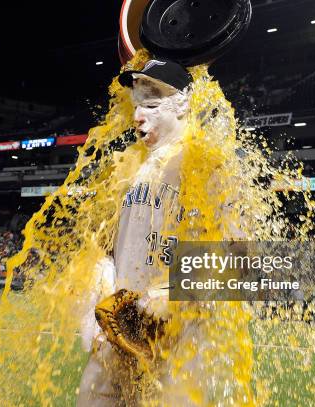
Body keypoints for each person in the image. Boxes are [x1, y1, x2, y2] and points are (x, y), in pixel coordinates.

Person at [77, 59, 205, 406]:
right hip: (117, 330)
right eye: (136, 106)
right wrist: (99, 292)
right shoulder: (129, 168)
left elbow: (239, 256)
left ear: (181, 104)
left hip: (176, 340)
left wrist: (171, 295)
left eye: (150, 105)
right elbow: (103, 247)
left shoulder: (203, 162)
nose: (137, 116)